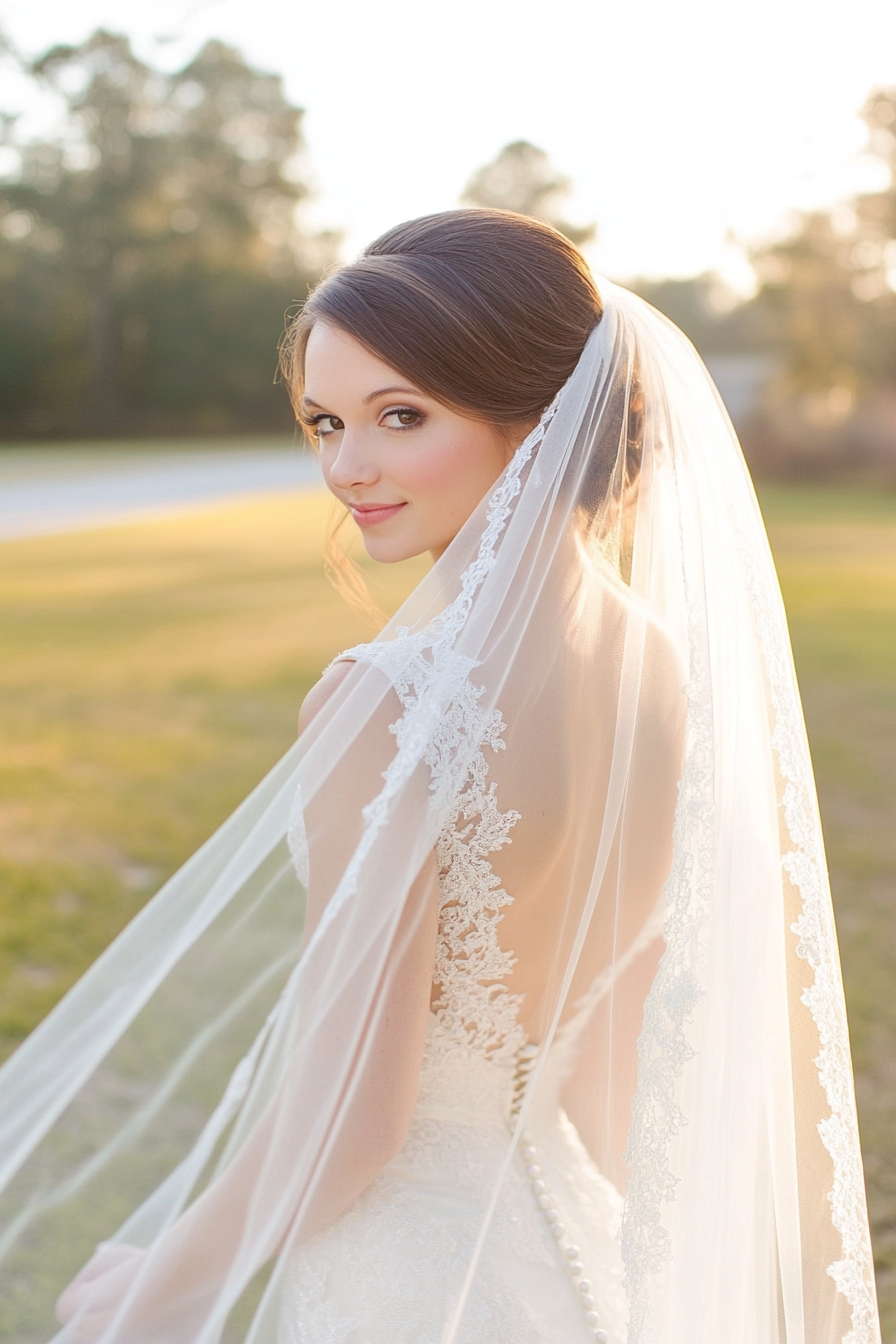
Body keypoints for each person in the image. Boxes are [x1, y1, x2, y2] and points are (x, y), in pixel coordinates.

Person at [0, 210, 880, 1344]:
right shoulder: (662, 668)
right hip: (566, 1258)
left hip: (406, 1281)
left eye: (399, 416)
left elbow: (353, 1122)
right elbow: (606, 1065)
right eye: (325, 421)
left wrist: (159, 1289)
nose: (344, 465)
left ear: (536, 416)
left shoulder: (392, 701)